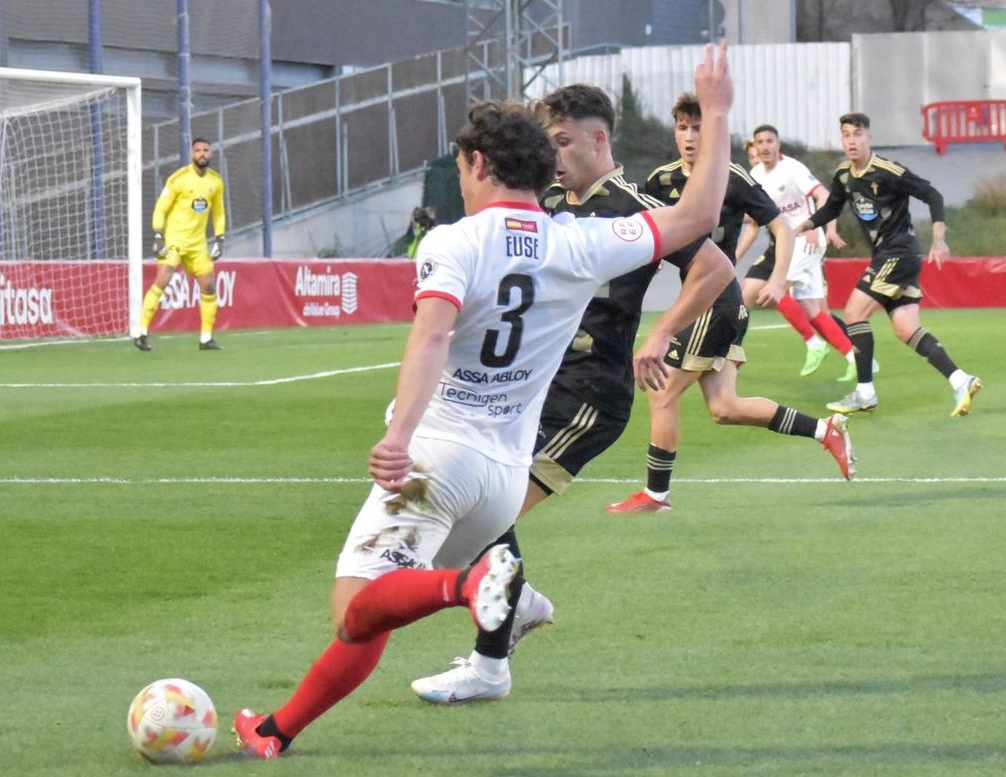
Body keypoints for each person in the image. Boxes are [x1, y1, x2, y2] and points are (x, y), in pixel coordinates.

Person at [232, 43, 740, 758]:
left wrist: (399, 434)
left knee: (356, 605)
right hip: (502, 482)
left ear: (476, 166)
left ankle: (471, 584)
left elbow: (432, 335)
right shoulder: (579, 242)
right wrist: (716, 112)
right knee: (376, 610)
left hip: (437, 460)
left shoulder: (453, 239)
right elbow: (700, 214)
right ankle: (278, 728)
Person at [405, 82, 735, 705]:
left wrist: (661, 334)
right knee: (470, 521)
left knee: (485, 518)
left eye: (562, 142)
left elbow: (715, 266)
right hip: (532, 390)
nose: (553, 156)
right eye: (545, 143)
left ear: (598, 138)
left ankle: (489, 662)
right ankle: (517, 605)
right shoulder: (549, 201)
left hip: (589, 393)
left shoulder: (627, 204)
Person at [605, 99, 855, 516]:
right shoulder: (660, 180)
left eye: (698, 127)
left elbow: (781, 227)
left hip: (717, 302)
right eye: (682, 127)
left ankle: (655, 496)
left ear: (713, 133)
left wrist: (777, 280)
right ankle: (825, 431)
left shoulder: (732, 177)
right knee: (725, 408)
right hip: (700, 302)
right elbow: (644, 238)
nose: (689, 136)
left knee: (662, 392)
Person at [795, 113, 982, 417]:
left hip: (898, 252)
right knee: (906, 328)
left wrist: (938, 239)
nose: (852, 140)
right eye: (846, 135)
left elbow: (932, 194)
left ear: (869, 137)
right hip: (891, 256)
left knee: (854, 312)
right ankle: (961, 380)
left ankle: (865, 391)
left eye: (858, 134)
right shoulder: (844, 174)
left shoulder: (887, 170)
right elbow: (832, 206)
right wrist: (806, 224)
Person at [744, 123, 858, 381]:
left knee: (774, 290)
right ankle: (854, 357)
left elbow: (824, 196)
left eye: (769, 141)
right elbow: (752, 218)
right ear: (755, 147)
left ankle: (814, 345)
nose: (764, 147)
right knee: (811, 309)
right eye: (759, 142)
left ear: (778, 144)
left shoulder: (792, 168)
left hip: (807, 239)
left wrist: (815, 225)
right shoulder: (757, 174)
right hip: (789, 243)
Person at [137, 138, 226, 352]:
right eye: (198, 151)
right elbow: (160, 208)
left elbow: (219, 212)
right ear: (191, 154)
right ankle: (141, 334)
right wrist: (158, 236)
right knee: (162, 280)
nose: (202, 154)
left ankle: (206, 339)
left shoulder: (216, 181)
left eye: (206, 150)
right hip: (174, 240)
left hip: (198, 244)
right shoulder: (179, 179)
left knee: (209, 286)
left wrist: (220, 239)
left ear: (210, 154)